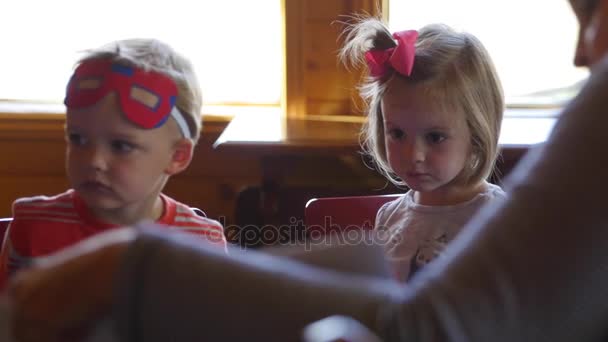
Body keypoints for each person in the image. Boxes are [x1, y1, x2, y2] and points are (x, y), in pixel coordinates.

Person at [8, 1, 608, 340]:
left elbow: (436, 325)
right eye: (397, 134)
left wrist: (142, 270)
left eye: (590, 12)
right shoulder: (395, 215)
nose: (581, 52)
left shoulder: (496, 216)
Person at [0, 39, 227, 288]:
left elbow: (214, 325)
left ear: (177, 156)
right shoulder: (32, 227)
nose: (94, 161)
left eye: (121, 146)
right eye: (78, 138)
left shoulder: (202, 242)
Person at [340, 19, 506, 282]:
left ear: (476, 133)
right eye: (397, 134)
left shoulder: (498, 218)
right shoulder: (389, 217)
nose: (414, 155)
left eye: (435, 137)